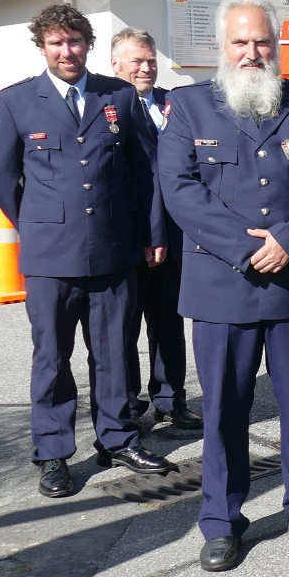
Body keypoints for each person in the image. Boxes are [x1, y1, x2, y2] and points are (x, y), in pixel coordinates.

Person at [159, 0, 289, 572]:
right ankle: (222, 521)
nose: (252, 52)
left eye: (261, 42)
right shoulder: (188, 108)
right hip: (223, 281)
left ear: (278, 45)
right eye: (240, 42)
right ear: (221, 48)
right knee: (225, 407)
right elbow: (180, 190)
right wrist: (247, 248)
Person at [0, 4, 174, 498]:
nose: (66, 52)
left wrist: (153, 234)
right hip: (50, 256)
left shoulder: (120, 97)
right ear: (42, 48)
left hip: (113, 250)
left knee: (114, 352)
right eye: (56, 44)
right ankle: (53, 452)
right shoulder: (18, 102)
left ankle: (119, 437)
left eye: (74, 42)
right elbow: (0, 174)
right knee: (52, 356)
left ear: (88, 45)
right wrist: (36, 222)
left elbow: (146, 171)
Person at [108, 28, 202, 431]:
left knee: (167, 322)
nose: (145, 68)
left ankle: (170, 398)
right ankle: (129, 405)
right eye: (136, 61)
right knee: (124, 328)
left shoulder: (174, 103)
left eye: (150, 60)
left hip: (175, 237)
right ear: (115, 66)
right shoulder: (104, 106)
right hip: (127, 238)